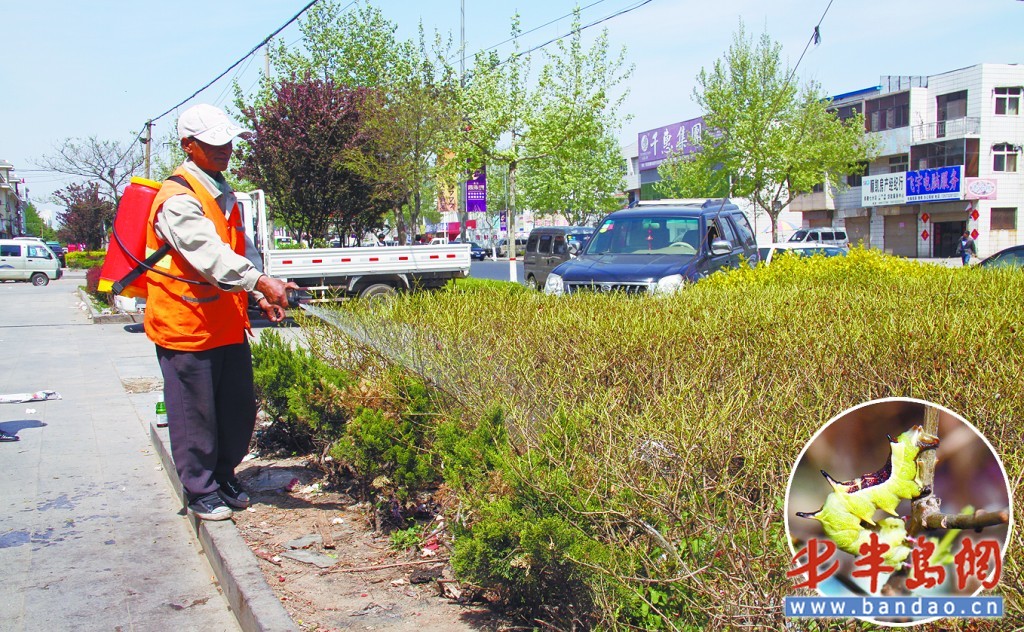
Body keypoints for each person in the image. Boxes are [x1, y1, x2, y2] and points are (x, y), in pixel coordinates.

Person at [145, 103, 297, 521]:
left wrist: (260, 292)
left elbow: (237, 248)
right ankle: (199, 490)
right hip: (186, 325)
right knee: (195, 413)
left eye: (227, 141)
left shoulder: (220, 189)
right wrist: (262, 282)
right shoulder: (177, 199)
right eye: (214, 144)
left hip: (226, 322)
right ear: (188, 146)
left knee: (236, 407)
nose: (225, 149)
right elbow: (208, 255)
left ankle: (224, 473)